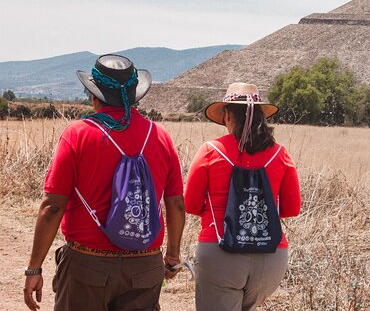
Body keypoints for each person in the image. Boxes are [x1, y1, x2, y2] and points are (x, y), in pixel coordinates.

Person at [23, 54, 185, 311]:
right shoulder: (160, 136)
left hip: (87, 267)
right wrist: (173, 256)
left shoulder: (77, 135)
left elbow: (52, 206)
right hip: (145, 267)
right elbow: (175, 203)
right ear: (134, 96)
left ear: (94, 95)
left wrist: (34, 268)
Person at [185, 82, 301, 311]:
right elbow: (291, 209)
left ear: (227, 115)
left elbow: (190, 204)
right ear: (260, 116)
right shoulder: (281, 153)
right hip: (270, 255)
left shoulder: (210, 151)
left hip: (220, 251)